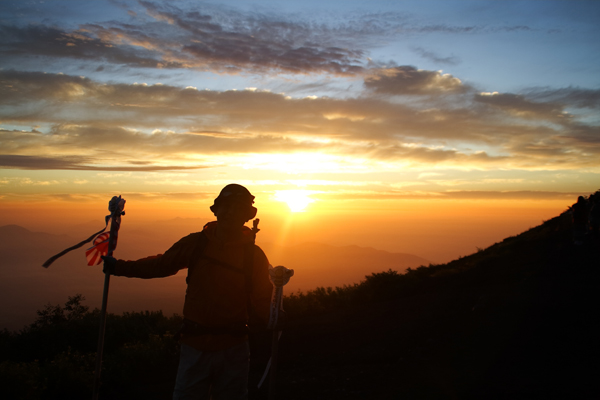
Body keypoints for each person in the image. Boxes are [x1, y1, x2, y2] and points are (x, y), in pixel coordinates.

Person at [102, 184, 275, 400]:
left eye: (237, 208)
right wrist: (119, 267)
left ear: (246, 216)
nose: (230, 212)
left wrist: (273, 316)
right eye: (226, 206)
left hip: (231, 349)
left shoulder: (254, 256)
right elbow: (161, 265)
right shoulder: (197, 244)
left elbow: (262, 299)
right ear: (216, 209)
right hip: (200, 347)